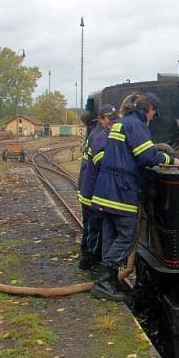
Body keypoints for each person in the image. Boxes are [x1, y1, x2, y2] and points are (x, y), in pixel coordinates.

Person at [91, 94, 179, 301]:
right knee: (128, 236)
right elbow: (147, 156)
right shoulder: (136, 126)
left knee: (111, 234)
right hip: (121, 190)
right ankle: (104, 282)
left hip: (106, 188)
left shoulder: (121, 123)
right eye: (154, 114)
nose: (153, 118)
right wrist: (170, 159)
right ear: (150, 110)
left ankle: (110, 282)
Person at [77, 104, 116, 273]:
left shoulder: (94, 133)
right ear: (101, 119)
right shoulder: (99, 136)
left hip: (87, 187)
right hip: (92, 191)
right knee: (95, 227)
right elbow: (102, 165)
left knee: (89, 226)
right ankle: (92, 262)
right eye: (109, 118)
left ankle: (86, 257)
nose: (111, 122)